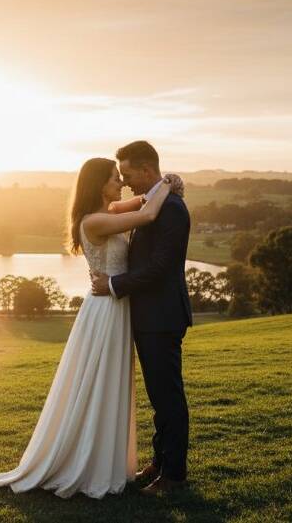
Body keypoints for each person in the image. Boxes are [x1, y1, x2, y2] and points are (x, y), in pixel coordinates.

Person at [0, 154, 182, 499]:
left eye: (121, 176)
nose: (120, 182)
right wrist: (168, 183)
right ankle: (87, 462)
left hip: (116, 306)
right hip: (106, 310)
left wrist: (164, 186)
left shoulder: (109, 212)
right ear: (98, 185)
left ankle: (109, 460)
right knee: (98, 380)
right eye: (113, 178)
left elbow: (143, 200)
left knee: (111, 381)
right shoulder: (94, 221)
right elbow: (149, 212)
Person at [90, 140, 192, 496]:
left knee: (168, 397)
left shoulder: (172, 209)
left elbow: (162, 267)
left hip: (162, 316)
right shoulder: (153, 202)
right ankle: (160, 461)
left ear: (147, 170)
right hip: (148, 316)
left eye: (129, 174)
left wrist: (114, 284)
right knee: (158, 395)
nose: (127, 180)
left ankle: (174, 476)